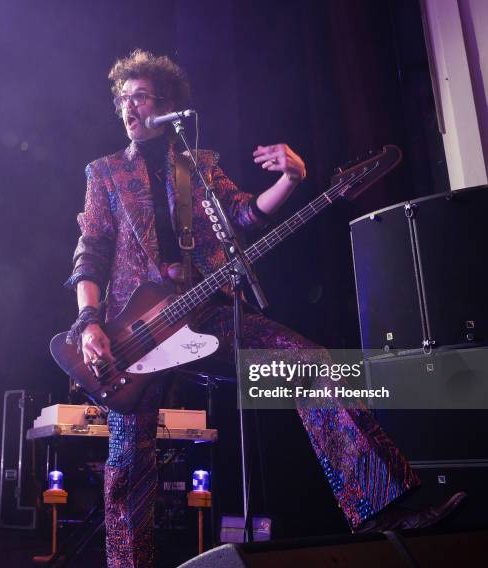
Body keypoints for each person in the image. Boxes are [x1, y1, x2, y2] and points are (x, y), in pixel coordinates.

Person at [65, 49, 464, 568]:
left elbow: (243, 216)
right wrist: (90, 323)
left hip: (207, 314)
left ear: (167, 106)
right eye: (123, 98)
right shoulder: (106, 173)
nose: (128, 107)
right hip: (133, 334)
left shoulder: (198, 166)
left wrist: (292, 179)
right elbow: (90, 251)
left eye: (140, 97)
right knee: (129, 462)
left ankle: (381, 510)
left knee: (313, 366)